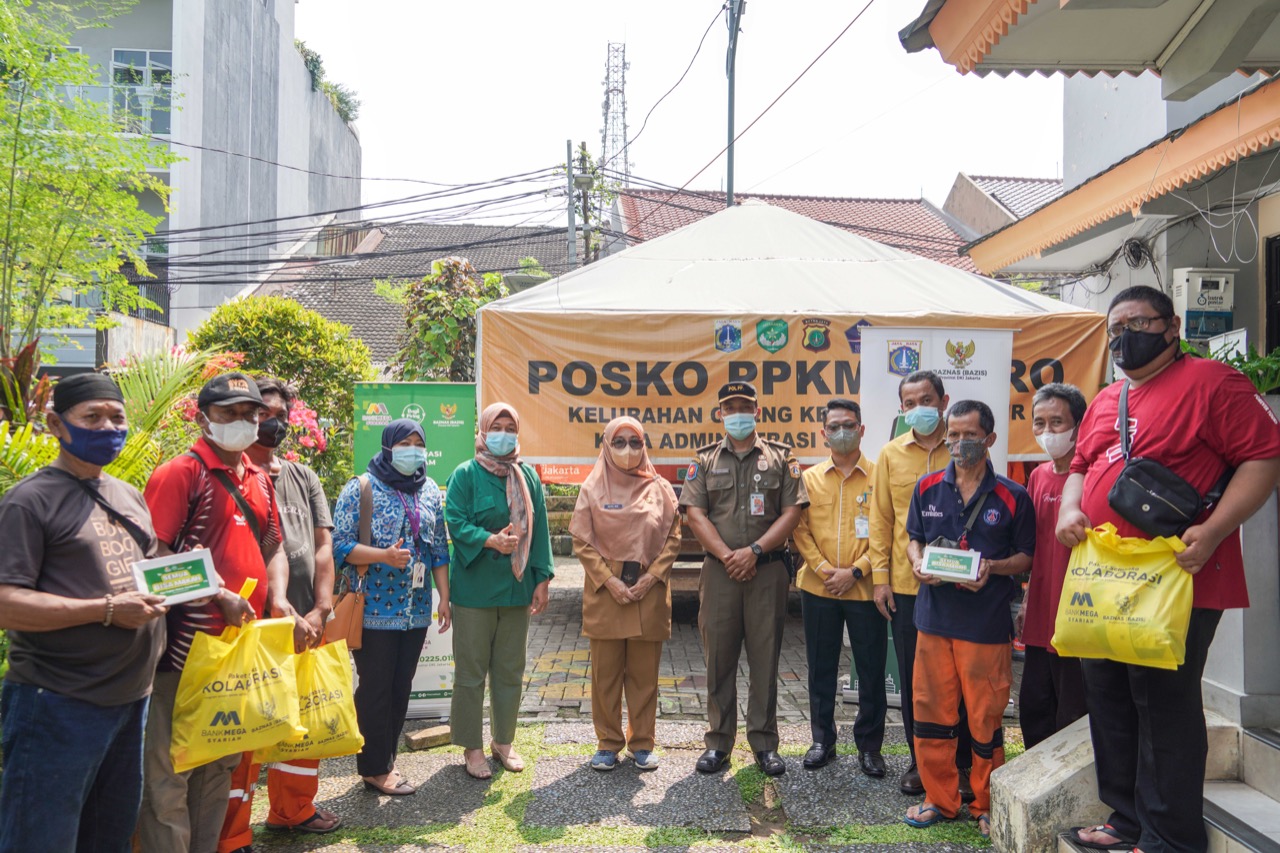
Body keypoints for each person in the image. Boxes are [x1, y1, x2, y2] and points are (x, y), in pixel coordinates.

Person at [1057, 285, 1280, 853]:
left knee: (1162, 703)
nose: (1124, 336)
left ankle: (1170, 836)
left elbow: (1263, 457)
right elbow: (1080, 464)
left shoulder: (1214, 383)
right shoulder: (1107, 398)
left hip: (1179, 574)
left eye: (1138, 322)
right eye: (1115, 328)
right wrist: (1070, 507)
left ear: (1172, 326)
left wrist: (1215, 530)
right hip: (1105, 577)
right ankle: (1126, 819)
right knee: (1106, 696)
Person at [139, 372, 308, 853]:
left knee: (219, 766)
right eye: (228, 413)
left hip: (238, 654)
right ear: (203, 419)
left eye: (249, 414)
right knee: (171, 771)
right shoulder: (182, 473)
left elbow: (272, 544)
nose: (242, 422)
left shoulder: (256, 477)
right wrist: (216, 595)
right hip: (182, 653)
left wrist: (279, 598)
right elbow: (155, 558)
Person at [0, 374, 168, 853]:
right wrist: (108, 610)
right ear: (56, 424)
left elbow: (143, 573)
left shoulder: (126, 495)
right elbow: (6, 602)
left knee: (108, 837)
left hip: (129, 698)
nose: (108, 427)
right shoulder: (29, 502)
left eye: (117, 417)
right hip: (58, 701)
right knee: (42, 839)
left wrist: (200, 584)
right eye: (91, 417)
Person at [901, 400, 1034, 839]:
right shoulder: (927, 488)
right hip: (934, 620)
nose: (959, 444)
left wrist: (991, 568)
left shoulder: (1013, 497)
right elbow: (913, 540)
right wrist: (918, 562)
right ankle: (940, 798)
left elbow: (1025, 558)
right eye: (953, 435)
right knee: (931, 715)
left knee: (985, 718)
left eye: (969, 435)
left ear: (990, 439)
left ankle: (985, 800)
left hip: (985, 626)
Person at [216, 377, 341, 842]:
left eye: (279, 416)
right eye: (261, 415)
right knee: (243, 732)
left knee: (302, 725)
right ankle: (232, 833)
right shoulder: (233, 476)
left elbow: (322, 544)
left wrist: (323, 607)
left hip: (307, 620)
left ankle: (293, 810)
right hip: (250, 628)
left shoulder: (301, 476)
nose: (272, 424)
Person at [678, 381, 808, 777]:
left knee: (765, 659)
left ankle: (765, 744)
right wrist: (726, 555)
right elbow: (694, 514)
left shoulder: (782, 458)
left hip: (766, 571)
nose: (737, 413)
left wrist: (752, 552)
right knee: (718, 659)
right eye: (729, 406)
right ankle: (718, 743)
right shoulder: (703, 461)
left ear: (757, 411)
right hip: (719, 574)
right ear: (720, 413)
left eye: (744, 406)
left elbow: (792, 512)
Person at [331, 418, 451, 796]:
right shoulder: (362, 488)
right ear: (388, 447)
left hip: (415, 609)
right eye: (404, 443)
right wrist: (383, 555)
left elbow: (437, 549)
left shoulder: (430, 489)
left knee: (401, 687)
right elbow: (339, 546)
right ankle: (374, 767)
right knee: (375, 689)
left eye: (418, 442)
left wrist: (444, 596)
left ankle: (386, 760)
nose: (412, 449)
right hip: (373, 610)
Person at [867, 370, 973, 796]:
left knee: (960, 677)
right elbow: (880, 521)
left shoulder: (965, 449)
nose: (918, 410)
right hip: (909, 589)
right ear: (901, 408)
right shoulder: (891, 455)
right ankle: (919, 761)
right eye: (909, 404)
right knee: (917, 682)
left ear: (943, 400)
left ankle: (963, 763)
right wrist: (880, 580)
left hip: (962, 586)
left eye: (925, 400)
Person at [446, 403, 554, 780]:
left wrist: (542, 579)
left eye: (511, 426)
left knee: (510, 668)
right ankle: (472, 747)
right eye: (498, 426)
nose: (504, 433)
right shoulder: (465, 474)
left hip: (516, 587)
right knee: (472, 671)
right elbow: (455, 522)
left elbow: (539, 531)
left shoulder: (528, 476)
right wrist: (489, 540)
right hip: (474, 591)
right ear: (483, 430)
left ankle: (503, 741)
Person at [570, 417, 681, 772]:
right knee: (605, 677)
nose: (628, 451)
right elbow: (582, 543)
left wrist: (651, 578)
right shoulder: (592, 488)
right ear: (606, 446)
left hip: (648, 591)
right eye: (619, 443)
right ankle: (607, 743)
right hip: (607, 593)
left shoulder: (661, 488)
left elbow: (672, 539)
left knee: (644, 677)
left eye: (635, 442)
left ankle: (642, 743)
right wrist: (609, 580)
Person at [792, 398, 887, 776]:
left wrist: (857, 571)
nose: (842, 432)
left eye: (849, 425)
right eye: (834, 427)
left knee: (871, 668)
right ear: (823, 433)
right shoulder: (810, 478)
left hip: (865, 591)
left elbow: (887, 531)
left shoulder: (881, 476)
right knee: (821, 667)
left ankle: (869, 747)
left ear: (862, 430)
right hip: (819, 589)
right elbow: (799, 528)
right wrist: (823, 568)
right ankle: (822, 741)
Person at [1016, 383, 1088, 750]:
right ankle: (1034, 784)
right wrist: (1027, 599)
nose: (1048, 432)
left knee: (1073, 710)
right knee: (1034, 705)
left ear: (1080, 424)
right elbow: (1035, 547)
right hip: (1042, 611)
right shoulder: (1038, 476)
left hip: (1082, 613)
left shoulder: (1095, 477)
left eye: (1057, 422)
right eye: (1039, 423)